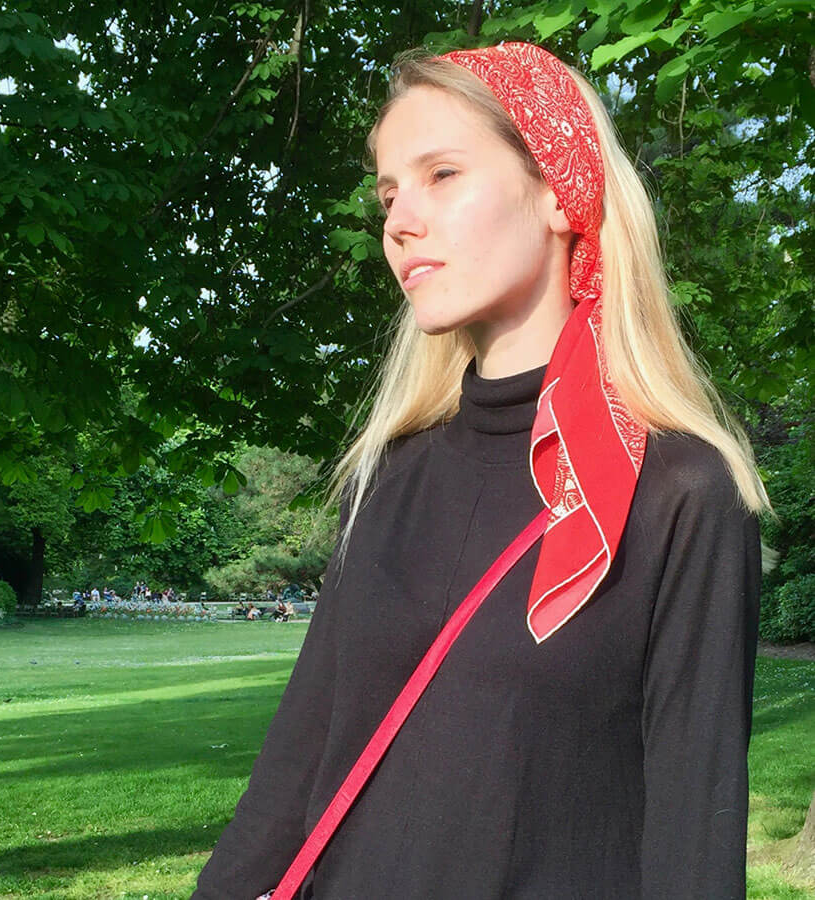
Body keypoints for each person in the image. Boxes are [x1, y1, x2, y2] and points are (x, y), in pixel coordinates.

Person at [191, 42, 766, 899]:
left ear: (558, 194)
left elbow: (694, 831)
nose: (398, 220)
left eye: (442, 175)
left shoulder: (682, 493)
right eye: (388, 194)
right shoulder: (384, 479)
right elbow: (296, 768)